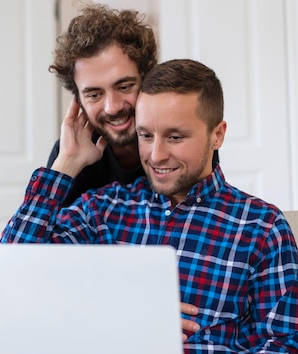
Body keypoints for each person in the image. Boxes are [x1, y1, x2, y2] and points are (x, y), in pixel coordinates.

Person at [0, 59, 298, 354]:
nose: (155, 155)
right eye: (145, 135)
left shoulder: (261, 226)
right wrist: (65, 165)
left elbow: (284, 347)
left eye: (175, 136)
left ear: (217, 134)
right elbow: (13, 272)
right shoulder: (103, 208)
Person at [45, 4, 218, 206]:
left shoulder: (185, 139)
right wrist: (68, 164)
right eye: (94, 94)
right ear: (78, 100)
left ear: (148, 77)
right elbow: (32, 235)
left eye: (125, 86)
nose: (112, 107)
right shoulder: (71, 151)